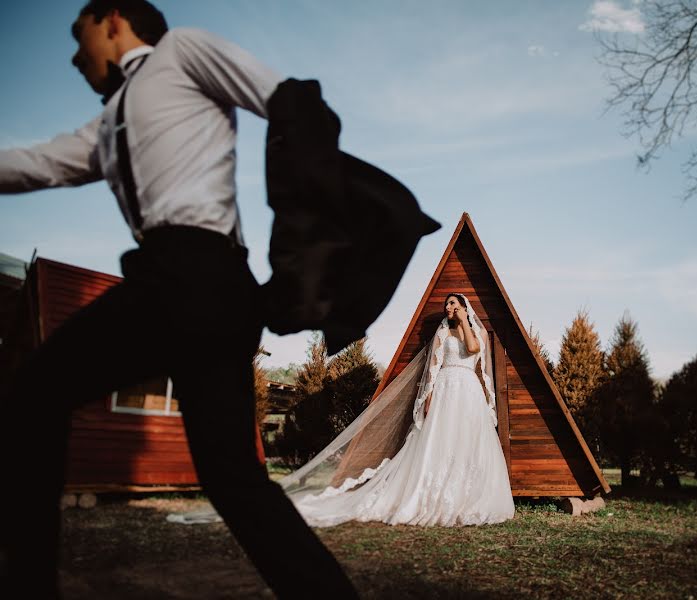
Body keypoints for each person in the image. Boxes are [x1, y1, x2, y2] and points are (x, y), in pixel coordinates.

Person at [0, 1, 358, 598]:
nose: (73, 55)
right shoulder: (111, 120)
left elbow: (289, 100)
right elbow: (39, 164)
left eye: (78, 34)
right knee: (233, 481)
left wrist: (301, 244)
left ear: (113, 20)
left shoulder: (182, 51)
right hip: (185, 287)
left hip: (200, 275)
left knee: (35, 394)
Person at [274, 292, 515, 527]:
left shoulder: (478, 333)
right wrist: (428, 398)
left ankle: (466, 496)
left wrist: (463, 321)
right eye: (446, 304)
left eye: (453, 303)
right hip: (445, 388)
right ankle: (432, 494)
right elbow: (432, 368)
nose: (448, 308)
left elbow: (472, 349)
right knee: (440, 439)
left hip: (468, 391)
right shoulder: (442, 332)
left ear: (464, 306)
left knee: (467, 440)